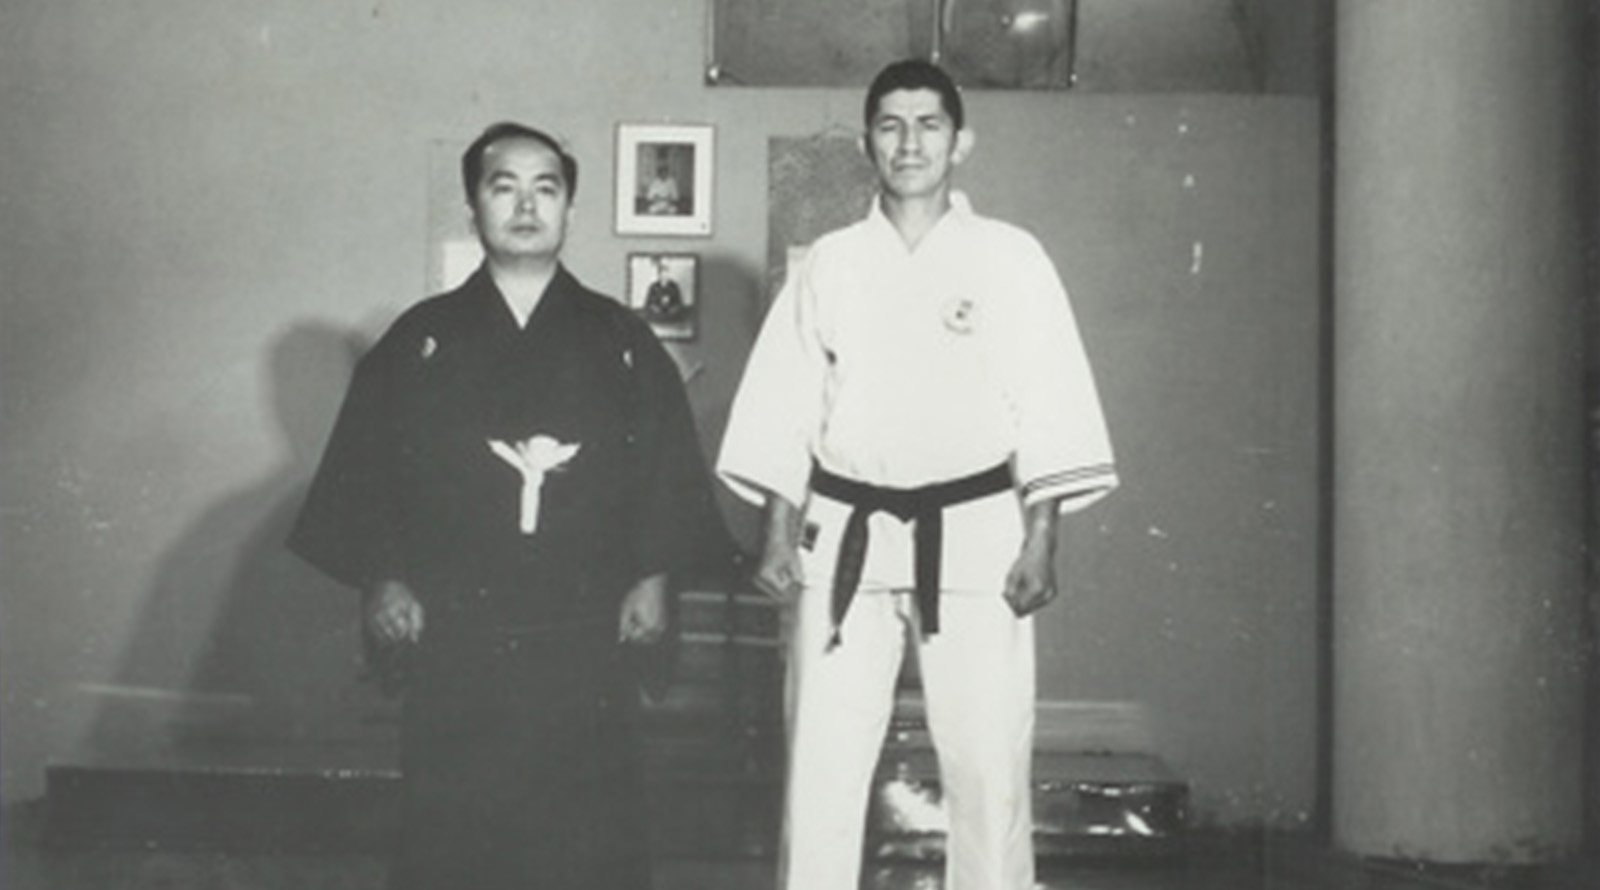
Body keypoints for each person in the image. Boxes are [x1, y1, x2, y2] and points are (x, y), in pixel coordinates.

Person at [288, 121, 728, 890]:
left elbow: (665, 473)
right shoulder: (420, 342)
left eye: (546, 188)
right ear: (473, 207)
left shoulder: (623, 341)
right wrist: (384, 576)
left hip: (586, 629)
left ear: (569, 210)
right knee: (453, 834)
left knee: (592, 831)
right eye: (504, 186)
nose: (527, 206)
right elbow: (372, 472)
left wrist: (654, 577)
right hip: (461, 633)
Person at [717, 59, 1119, 890]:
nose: (909, 142)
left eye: (928, 124)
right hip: (846, 530)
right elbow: (787, 402)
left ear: (960, 141)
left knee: (986, 763)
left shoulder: (1011, 257)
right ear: (868, 142)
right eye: (891, 125)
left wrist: (1043, 537)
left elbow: (1051, 397)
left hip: (974, 530)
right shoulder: (829, 261)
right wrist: (777, 532)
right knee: (822, 760)